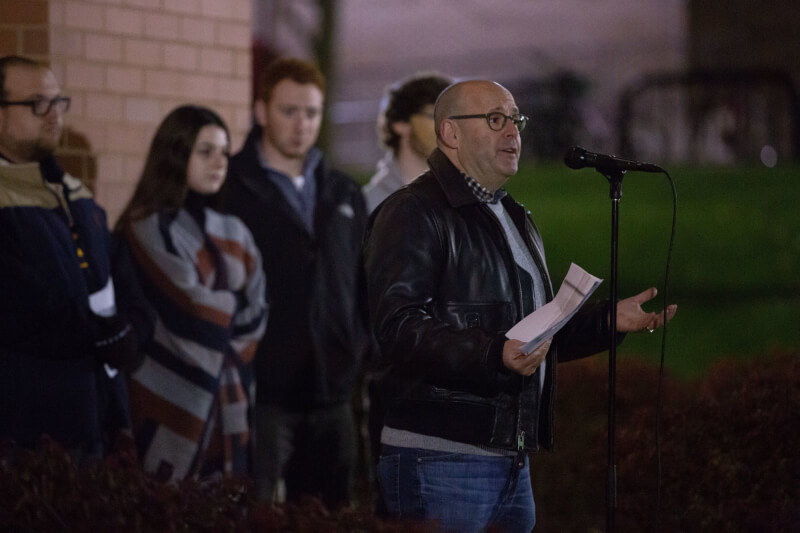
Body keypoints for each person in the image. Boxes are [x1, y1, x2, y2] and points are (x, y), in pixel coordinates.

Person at [363, 80, 678, 532]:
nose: (513, 132)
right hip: (439, 459)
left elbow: (530, 333)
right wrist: (493, 352)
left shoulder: (513, 216)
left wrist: (609, 321)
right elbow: (398, 328)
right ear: (450, 133)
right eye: (495, 120)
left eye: (516, 120)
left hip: (511, 462)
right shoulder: (412, 212)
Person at [223, 58, 371, 508]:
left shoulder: (344, 192)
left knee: (333, 514)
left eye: (311, 112)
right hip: (264, 393)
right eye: (289, 111)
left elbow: (362, 282)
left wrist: (356, 349)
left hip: (333, 389)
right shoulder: (232, 188)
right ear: (262, 111)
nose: (301, 124)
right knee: (258, 512)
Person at [115, 105, 268, 482]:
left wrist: (227, 315)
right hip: (168, 397)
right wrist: (231, 310)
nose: (218, 162)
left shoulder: (235, 230)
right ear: (175, 153)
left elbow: (259, 309)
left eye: (223, 152)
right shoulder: (146, 226)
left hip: (233, 402)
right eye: (205, 152)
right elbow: (191, 308)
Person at [0, 55, 141, 459]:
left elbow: (118, 290)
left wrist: (119, 419)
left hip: (92, 424)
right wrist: (98, 334)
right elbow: (17, 308)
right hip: (25, 435)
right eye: (37, 104)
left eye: (58, 102)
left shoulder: (78, 197)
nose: (53, 116)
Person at [363, 72, 453, 213]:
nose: (447, 128)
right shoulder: (370, 205)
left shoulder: (462, 199)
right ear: (400, 123)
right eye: (435, 116)